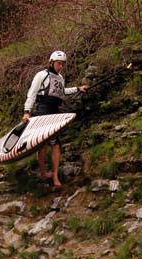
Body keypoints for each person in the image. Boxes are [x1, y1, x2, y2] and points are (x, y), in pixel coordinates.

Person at [22, 50, 88, 187]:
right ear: (51, 62)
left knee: (56, 145)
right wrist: (27, 111)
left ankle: (55, 176)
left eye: (63, 64)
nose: (61, 66)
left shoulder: (60, 78)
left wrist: (78, 89)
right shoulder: (42, 75)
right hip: (42, 111)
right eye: (59, 63)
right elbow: (32, 94)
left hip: (54, 113)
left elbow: (62, 92)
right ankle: (44, 172)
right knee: (43, 144)